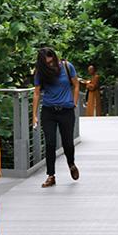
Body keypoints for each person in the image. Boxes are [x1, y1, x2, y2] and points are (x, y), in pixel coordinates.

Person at [32, 47, 81, 188]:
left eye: (52, 61)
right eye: (47, 63)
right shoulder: (40, 73)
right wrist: (34, 115)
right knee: (50, 143)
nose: (51, 64)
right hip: (48, 111)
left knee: (68, 143)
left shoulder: (67, 67)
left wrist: (74, 103)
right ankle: (51, 175)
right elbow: (36, 93)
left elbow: (76, 85)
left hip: (66, 110)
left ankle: (71, 163)